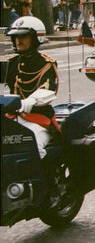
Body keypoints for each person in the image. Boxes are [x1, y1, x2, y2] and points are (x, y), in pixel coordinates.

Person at [3, 16, 59, 159]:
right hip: (11, 118)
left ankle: (42, 181)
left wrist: (30, 101)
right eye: (15, 37)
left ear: (35, 38)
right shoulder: (12, 62)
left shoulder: (45, 63)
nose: (18, 41)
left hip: (37, 119)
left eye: (23, 36)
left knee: (33, 147)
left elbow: (47, 89)